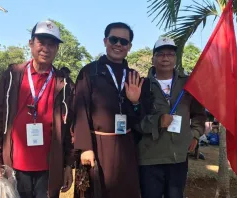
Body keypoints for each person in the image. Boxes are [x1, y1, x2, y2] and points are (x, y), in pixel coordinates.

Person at [0, 20, 75, 198]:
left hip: (50, 168)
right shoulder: (12, 76)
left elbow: (70, 128)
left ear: (57, 49)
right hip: (15, 165)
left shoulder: (63, 83)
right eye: (41, 42)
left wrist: (67, 165)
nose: (46, 48)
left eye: (52, 44)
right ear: (31, 43)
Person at [73, 22, 144, 198]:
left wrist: (135, 102)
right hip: (97, 146)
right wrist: (85, 147)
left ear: (129, 46)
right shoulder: (89, 72)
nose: (118, 44)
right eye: (114, 39)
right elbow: (80, 111)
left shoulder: (133, 76)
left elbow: (140, 118)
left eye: (124, 41)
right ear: (105, 41)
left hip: (125, 147)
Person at [138, 38, 206, 198]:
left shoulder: (189, 84)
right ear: (153, 59)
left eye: (170, 54)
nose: (165, 58)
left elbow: (199, 114)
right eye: (160, 54)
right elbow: (136, 120)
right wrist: (157, 122)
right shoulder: (142, 85)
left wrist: (195, 134)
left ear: (175, 58)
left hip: (178, 157)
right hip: (150, 157)